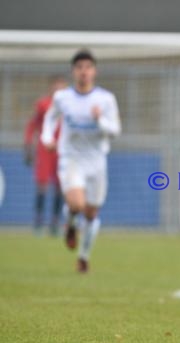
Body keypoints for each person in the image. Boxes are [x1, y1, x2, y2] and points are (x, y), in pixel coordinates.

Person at [41, 50, 121, 273]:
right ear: (73, 71)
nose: (84, 72)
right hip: (71, 157)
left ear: (94, 71)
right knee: (76, 203)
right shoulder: (62, 97)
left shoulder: (105, 99)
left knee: (92, 214)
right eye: (79, 67)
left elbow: (115, 131)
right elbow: (50, 118)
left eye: (88, 67)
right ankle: (71, 222)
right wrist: (47, 138)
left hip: (96, 161)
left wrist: (100, 120)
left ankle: (83, 256)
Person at [24, 76, 67, 235]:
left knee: (60, 187)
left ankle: (55, 222)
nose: (58, 91)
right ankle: (38, 221)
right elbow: (32, 125)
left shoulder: (69, 106)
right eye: (56, 87)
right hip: (45, 149)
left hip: (62, 150)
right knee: (42, 185)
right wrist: (28, 145)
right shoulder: (43, 105)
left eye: (62, 88)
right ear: (51, 89)